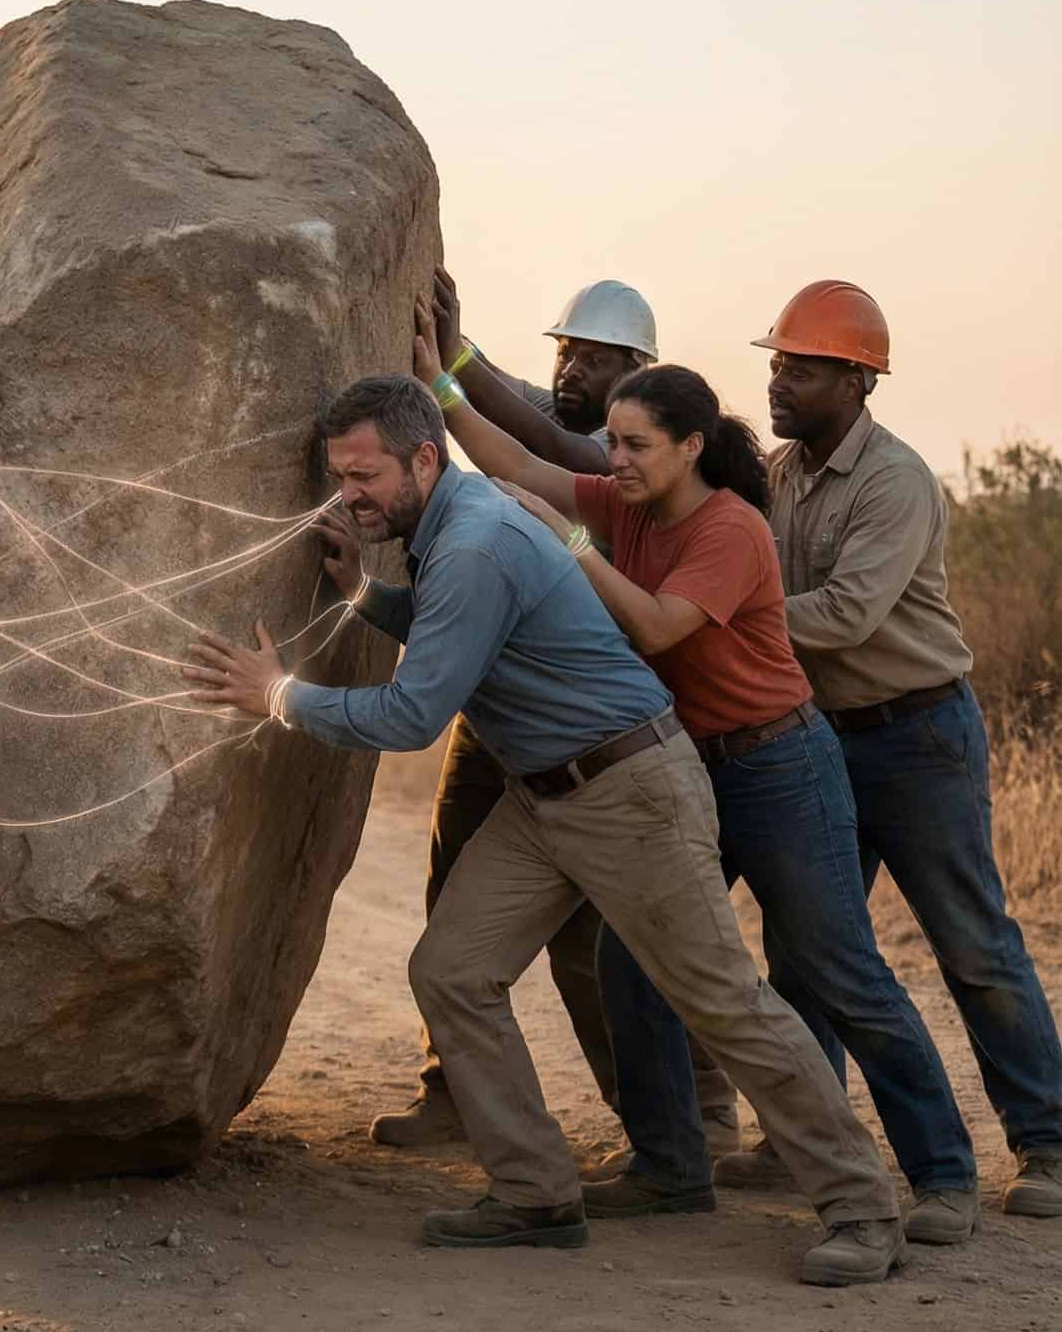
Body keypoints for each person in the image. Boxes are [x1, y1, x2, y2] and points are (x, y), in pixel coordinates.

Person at [184, 371, 905, 1287]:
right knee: (451, 969)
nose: (348, 496)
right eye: (339, 476)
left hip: (630, 790)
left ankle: (861, 1208)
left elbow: (411, 717)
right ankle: (534, 1194)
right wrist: (368, 596)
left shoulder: (476, 544)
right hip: (547, 796)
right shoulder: (452, 532)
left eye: (364, 477)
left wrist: (276, 695)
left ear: (423, 458)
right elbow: (465, 632)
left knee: (724, 1002)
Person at [419, 327, 980, 1245]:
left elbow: (655, 627)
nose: (617, 459)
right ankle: (672, 1165)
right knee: (629, 965)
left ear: (690, 447)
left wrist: (564, 540)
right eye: (614, 442)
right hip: (683, 764)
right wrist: (438, 382)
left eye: (638, 444)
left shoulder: (729, 528)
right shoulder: (625, 502)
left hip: (777, 766)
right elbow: (517, 456)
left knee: (835, 971)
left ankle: (941, 1176)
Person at [378, 271, 735, 1160]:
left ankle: (684, 1122)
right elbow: (513, 409)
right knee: (452, 889)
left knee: (612, 943)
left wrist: (449, 367)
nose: (573, 368)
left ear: (638, 370)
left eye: (596, 357)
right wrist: (455, 358)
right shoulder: (562, 408)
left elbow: (534, 441)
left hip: (590, 723)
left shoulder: (627, 458)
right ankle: (453, 1090)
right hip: (499, 701)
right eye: (567, 350)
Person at [738, 279, 1062, 1219]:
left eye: (801, 369)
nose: (780, 382)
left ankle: (1045, 1142)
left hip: (919, 735)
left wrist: (713, 621)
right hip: (826, 737)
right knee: (805, 945)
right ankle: (802, 1133)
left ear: (858, 381)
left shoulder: (897, 481)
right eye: (778, 364)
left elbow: (844, 615)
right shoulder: (780, 472)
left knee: (971, 941)